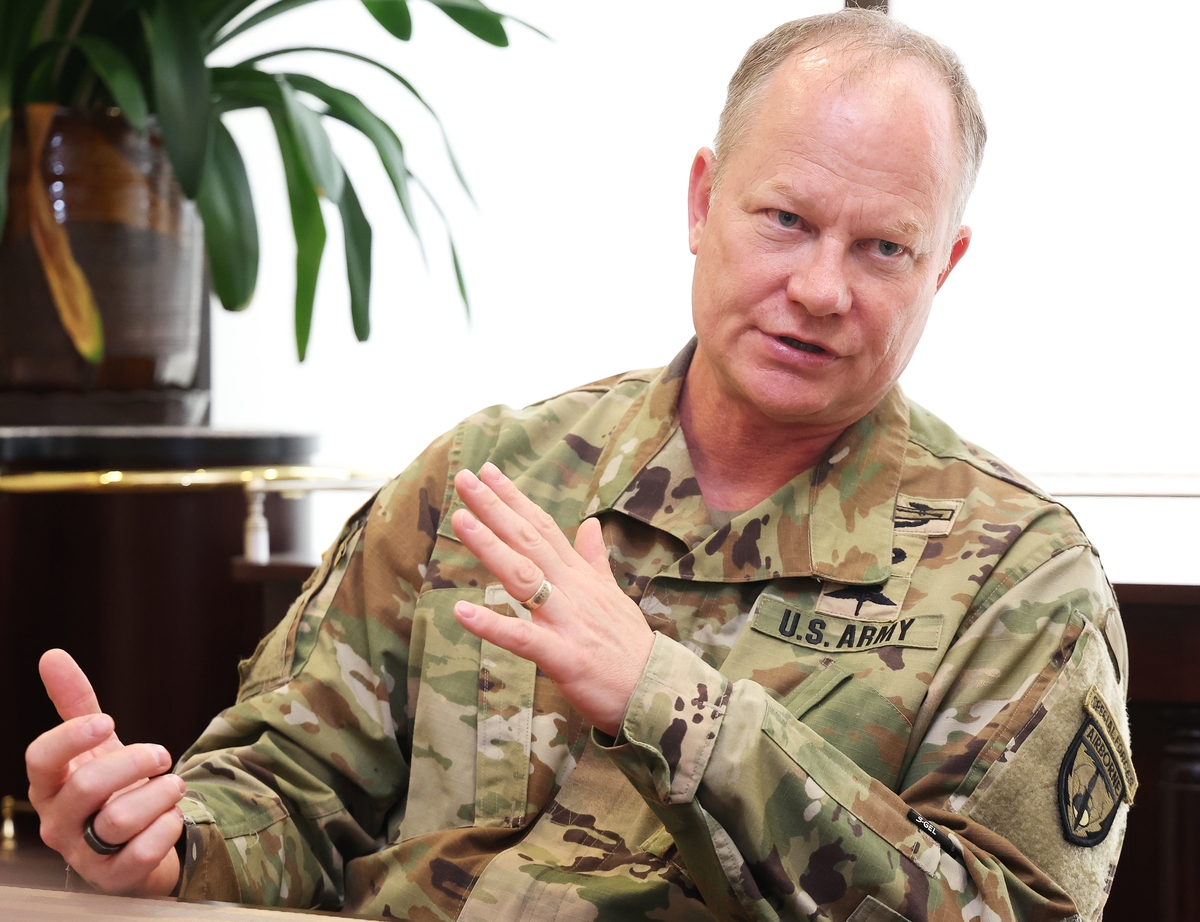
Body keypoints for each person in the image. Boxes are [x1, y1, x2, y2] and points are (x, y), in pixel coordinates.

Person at [26, 10, 1133, 921]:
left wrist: (670, 702)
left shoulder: (1019, 576)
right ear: (702, 204)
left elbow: (1008, 911)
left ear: (947, 263)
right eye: (786, 219)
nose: (822, 288)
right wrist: (161, 838)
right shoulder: (490, 476)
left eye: (884, 247)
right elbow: (293, 793)